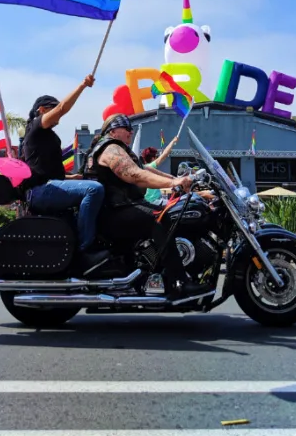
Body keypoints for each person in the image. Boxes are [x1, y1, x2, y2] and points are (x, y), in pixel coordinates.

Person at [83, 114, 212, 300]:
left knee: (168, 213)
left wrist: (183, 181)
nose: (130, 131)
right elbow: (134, 175)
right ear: (113, 131)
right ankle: (180, 282)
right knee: (160, 218)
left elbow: (147, 171)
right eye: (126, 127)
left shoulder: (119, 150)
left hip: (120, 209)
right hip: (115, 211)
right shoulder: (110, 148)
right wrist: (176, 181)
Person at [22, 75, 108, 272]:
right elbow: (62, 109)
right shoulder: (35, 126)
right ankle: (85, 249)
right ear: (41, 110)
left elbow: (51, 174)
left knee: (90, 184)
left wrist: (77, 178)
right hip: (40, 191)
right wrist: (83, 85)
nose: (58, 116)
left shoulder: (47, 136)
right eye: (52, 108)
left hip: (48, 186)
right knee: (93, 191)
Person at [141, 138, 178, 206]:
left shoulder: (145, 169)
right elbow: (164, 155)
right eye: (157, 156)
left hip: (151, 200)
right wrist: (173, 141)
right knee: (175, 206)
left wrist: (173, 190)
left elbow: (153, 191)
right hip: (154, 201)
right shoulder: (151, 166)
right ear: (153, 158)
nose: (158, 157)